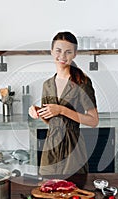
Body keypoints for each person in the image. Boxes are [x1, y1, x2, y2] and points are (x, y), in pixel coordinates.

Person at [29, 31, 99, 176]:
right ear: (51, 51)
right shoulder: (47, 85)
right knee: (48, 191)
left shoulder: (82, 82)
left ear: (74, 54)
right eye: (58, 51)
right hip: (50, 148)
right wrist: (37, 111)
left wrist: (61, 110)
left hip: (73, 147)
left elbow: (93, 121)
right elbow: (50, 121)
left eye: (68, 52)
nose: (62, 56)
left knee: (73, 192)